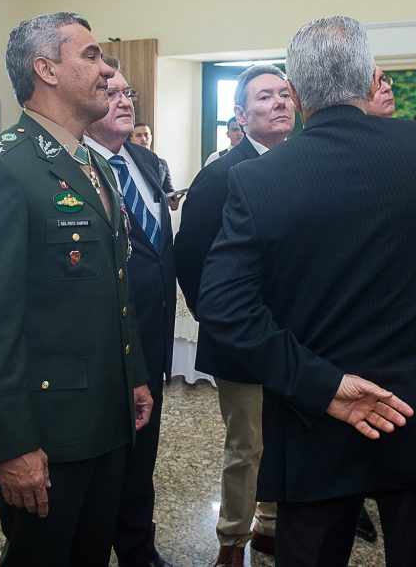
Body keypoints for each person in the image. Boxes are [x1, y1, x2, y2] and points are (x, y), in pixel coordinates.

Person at [196, 16, 416, 567]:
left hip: (315, 411)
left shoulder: (261, 179)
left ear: (299, 95)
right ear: (372, 79)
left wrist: (324, 387)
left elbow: (223, 307)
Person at [0, 12, 153, 566]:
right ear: (46, 70)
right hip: (49, 429)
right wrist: (11, 445)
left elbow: (113, 286)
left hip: (107, 416)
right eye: (91, 56)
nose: (108, 71)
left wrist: (133, 378)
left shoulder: (95, 166)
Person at [175, 65, 295, 567]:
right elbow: (189, 255)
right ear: (242, 116)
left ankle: (270, 527)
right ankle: (231, 540)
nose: (280, 102)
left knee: (283, 439)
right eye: (265, 96)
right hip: (241, 338)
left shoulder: (299, 166)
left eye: (286, 94)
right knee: (247, 445)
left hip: (293, 337)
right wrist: (217, 319)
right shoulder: (221, 175)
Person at [86, 58, 176, 567]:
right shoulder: (76, 166)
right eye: (112, 92)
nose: (124, 101)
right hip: (105, 352)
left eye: (130, 93)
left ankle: (139, 551)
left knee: (142, 464)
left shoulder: (144, 161)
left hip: (152, 343)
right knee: (106, 471)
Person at [131, 122, 181, 211]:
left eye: (146, 135)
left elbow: (168, 190)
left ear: (151, 137)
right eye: (138, 135)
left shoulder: (162, 163)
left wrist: (174, 202)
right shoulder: (127, 162)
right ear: (131, 139)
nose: (143, 138)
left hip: (160, 214)